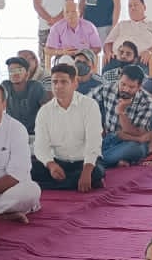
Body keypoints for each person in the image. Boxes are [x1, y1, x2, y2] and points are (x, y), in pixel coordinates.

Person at [32, 63, 105, 192]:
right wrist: (51, 165)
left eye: (63, 82)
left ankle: (49, 185)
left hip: (84, 163)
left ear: (74, 84)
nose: (58, 86)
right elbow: (40, 146)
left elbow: (94, 142)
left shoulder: (89, 105)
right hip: (58, 162)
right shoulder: (44, 111)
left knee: (96, 172)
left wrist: (87, 171)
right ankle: (71, 183)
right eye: (55, 82)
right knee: (29, 168)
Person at [0, 82, 41, 222]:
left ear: (4, 105)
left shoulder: (17, 129)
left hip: (5, 193)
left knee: (31, 191)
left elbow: (16, 176)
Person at [90, 65, 152, 167]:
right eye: (123, 84)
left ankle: (95, 160)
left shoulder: (147, 101)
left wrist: (121, 112)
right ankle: (112, 160)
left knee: (137, 149)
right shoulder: (106, 89)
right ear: (119, 79)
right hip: (108, 138)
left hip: (131, 142)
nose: (125, 89)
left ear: (139, 87)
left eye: (131, 87)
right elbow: (85, 104)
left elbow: (137, 132)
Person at [106, 0, 152, 69]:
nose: (132, 8)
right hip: (117, 58)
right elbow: (108, 42)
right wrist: (108, 52)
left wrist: (149, 52)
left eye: (135, 5)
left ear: (144, 7)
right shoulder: (121, 24)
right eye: (130, 6)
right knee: (107, 69)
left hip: (139, 60)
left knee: (135, 72)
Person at [47, 0, 103, 66]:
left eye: (74, 12)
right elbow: (48, 50)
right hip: (64, 56)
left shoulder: (89, 26)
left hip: (84, 56)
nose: (70, 15)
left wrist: (82, 52)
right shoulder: (56, 28)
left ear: (79, 13)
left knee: (81, 62)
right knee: (66, 61)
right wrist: (62, 52)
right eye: (67, 12)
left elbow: (97, 48)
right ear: (63, 14)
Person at [3, 54, 50, 135]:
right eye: (11, 70)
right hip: (12, 132)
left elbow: (46, 111)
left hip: (33, 133)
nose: (15, 73)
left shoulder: (36, 87)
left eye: (19, 70)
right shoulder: (6, 86)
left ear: (27, 73)